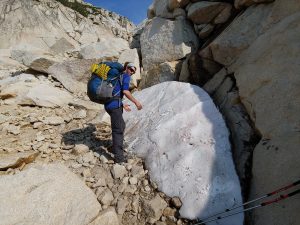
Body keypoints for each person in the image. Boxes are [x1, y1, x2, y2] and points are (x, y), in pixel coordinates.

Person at [104, 62, 142, 163]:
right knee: (118, 130)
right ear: (126, 68)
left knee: (121, 125)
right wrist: (136, 102)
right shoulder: (125, 76)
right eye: (131, 69)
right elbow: (125, 91)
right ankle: (119, 158)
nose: (132, 72)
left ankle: (114, 147)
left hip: (109, 104)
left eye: (133, 71)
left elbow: (115, 92)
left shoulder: (117, 76)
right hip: (114, 106)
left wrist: (122, 104)